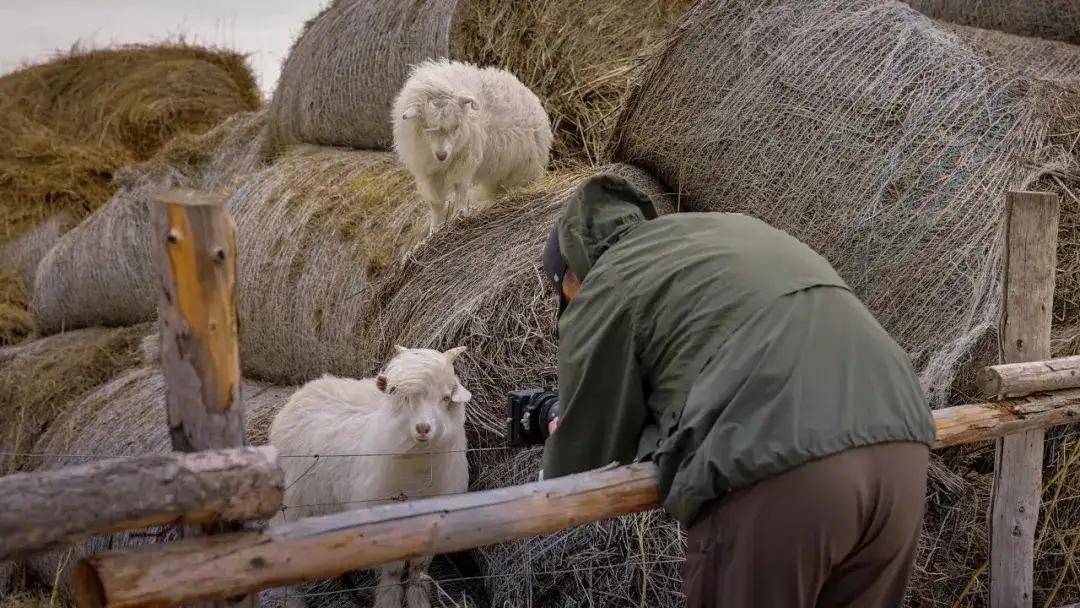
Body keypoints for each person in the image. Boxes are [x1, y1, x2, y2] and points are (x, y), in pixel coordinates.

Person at [538, 172, 936, 608]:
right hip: (902, 440)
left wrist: (561, 437)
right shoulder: (723, 230)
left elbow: (579, 465)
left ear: (571, 272)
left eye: (563, 295)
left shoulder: (608, 281)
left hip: (783, 464)